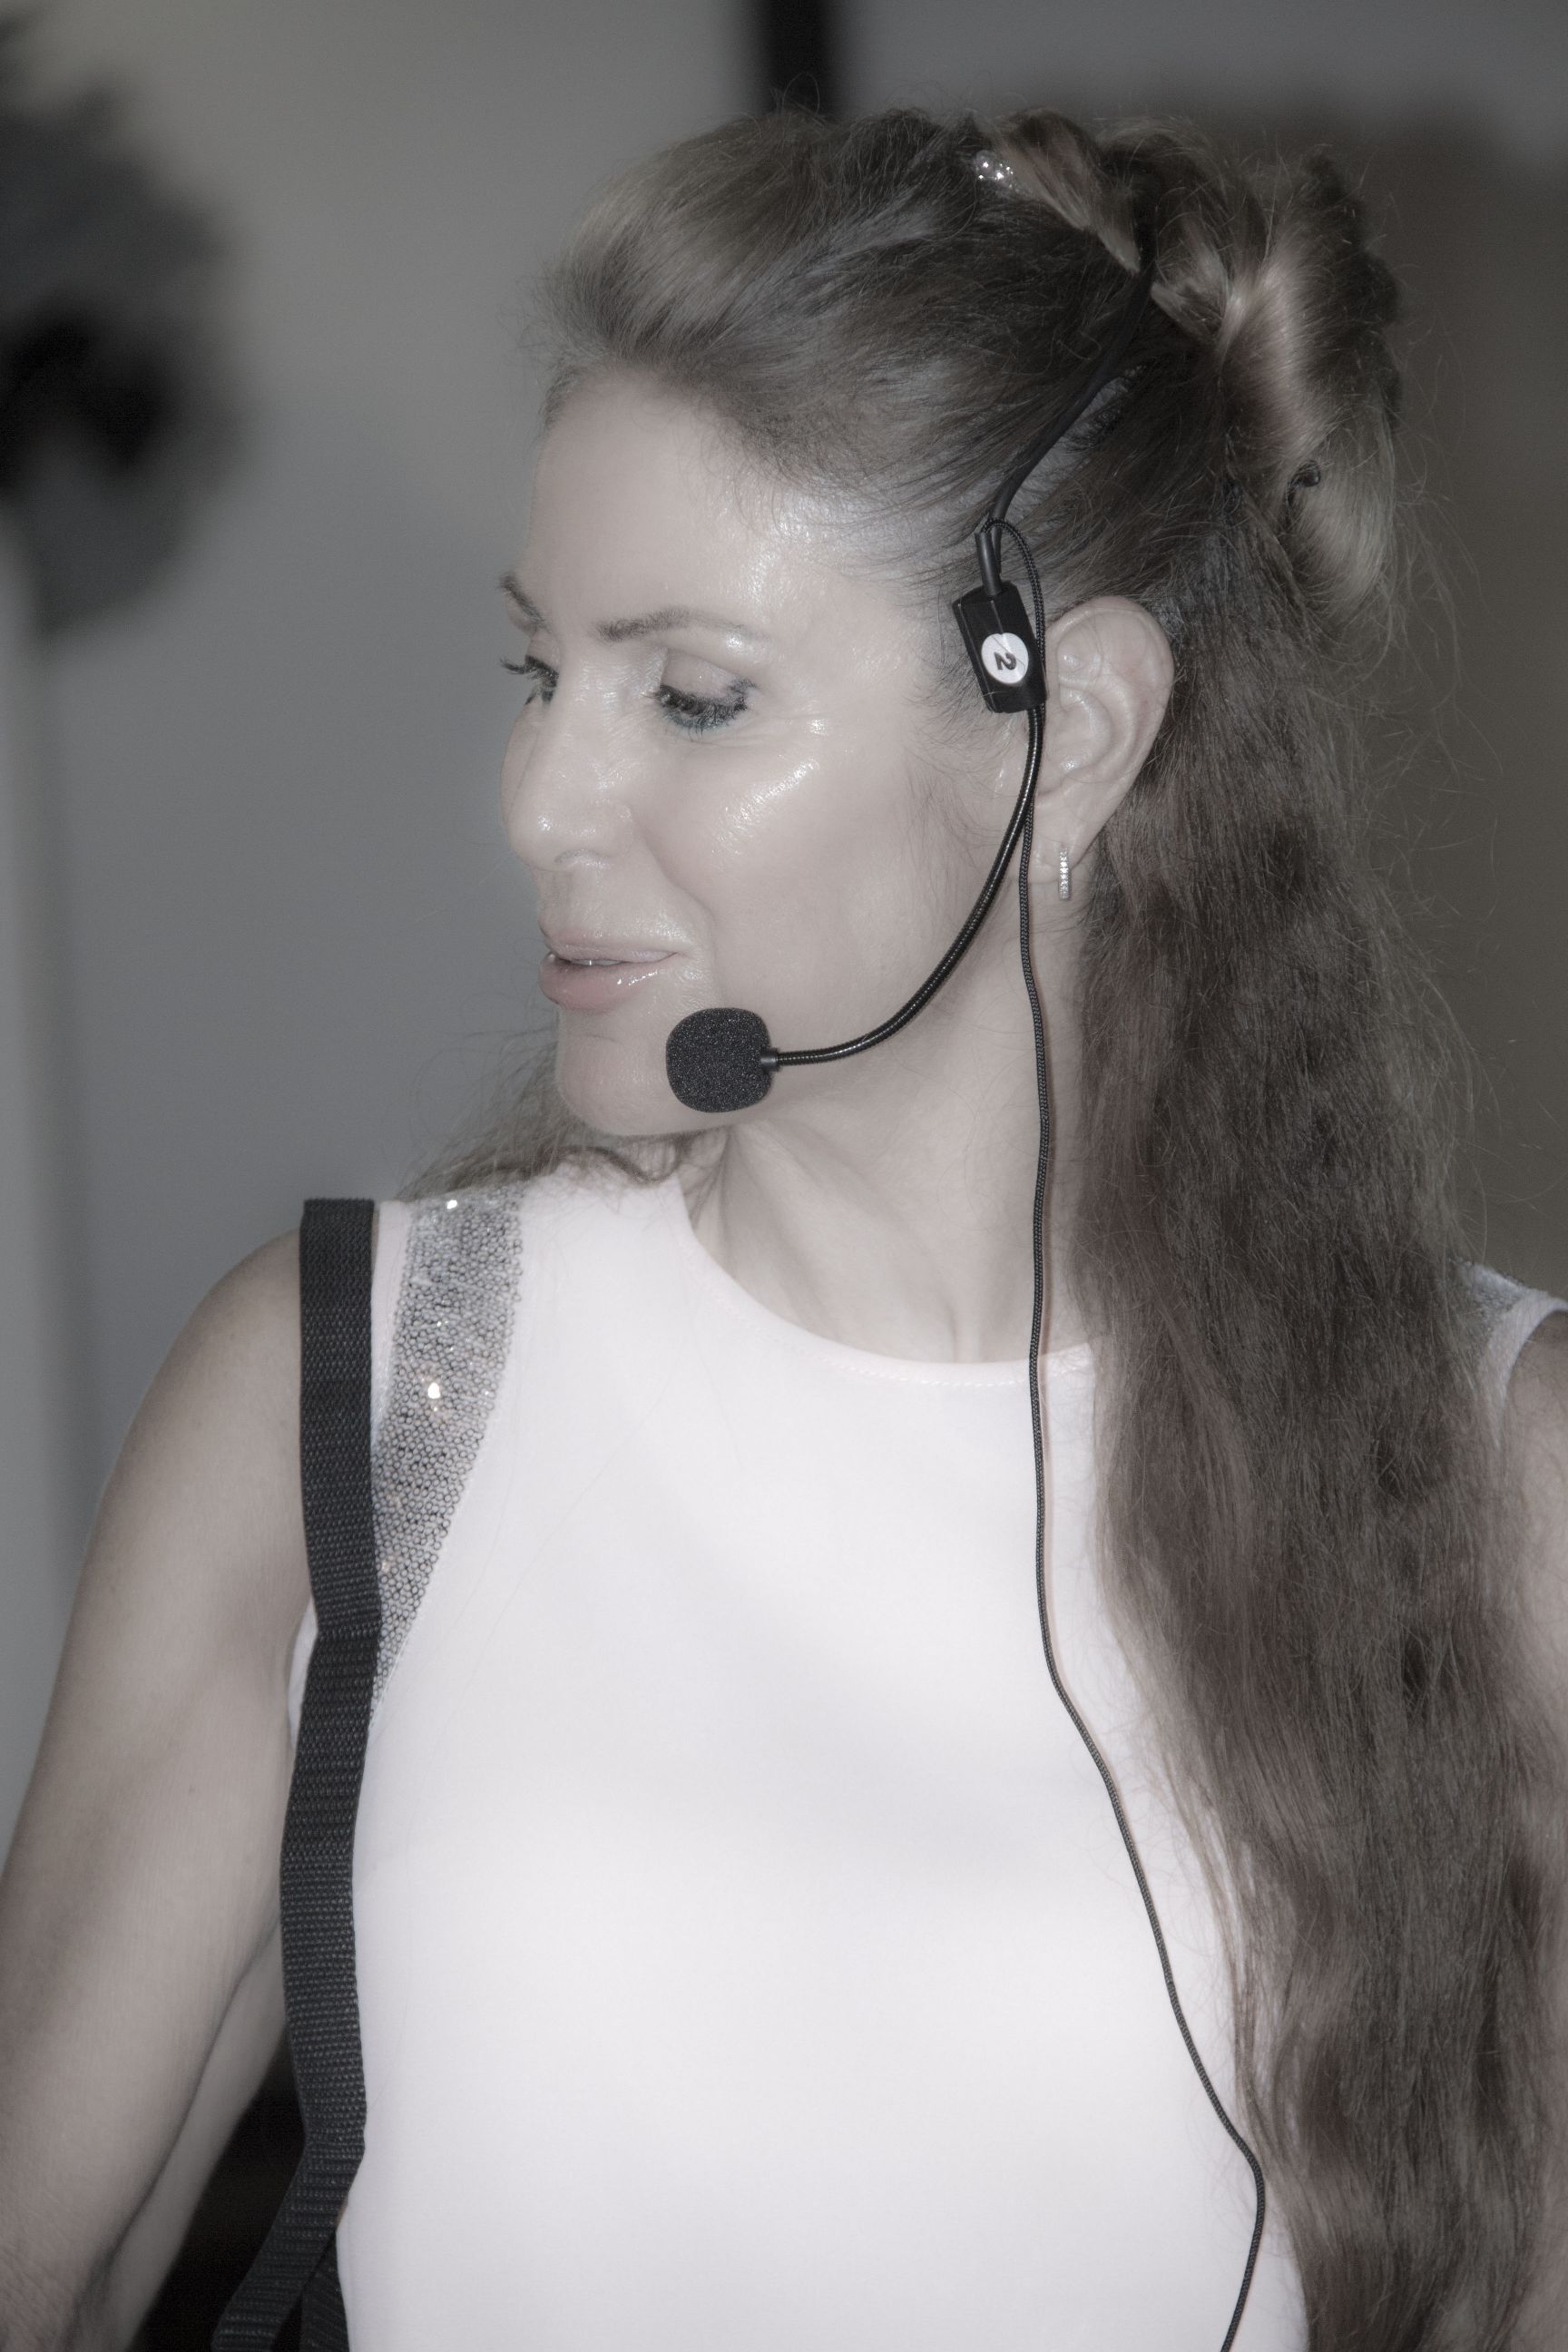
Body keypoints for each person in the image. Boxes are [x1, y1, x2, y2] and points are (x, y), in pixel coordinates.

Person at [0, 102, 1564, 2352]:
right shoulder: (348, 1402)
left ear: (1068, 731)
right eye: (541, 672)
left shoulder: (1501, 1489)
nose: (540, 798)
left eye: (695, 695)